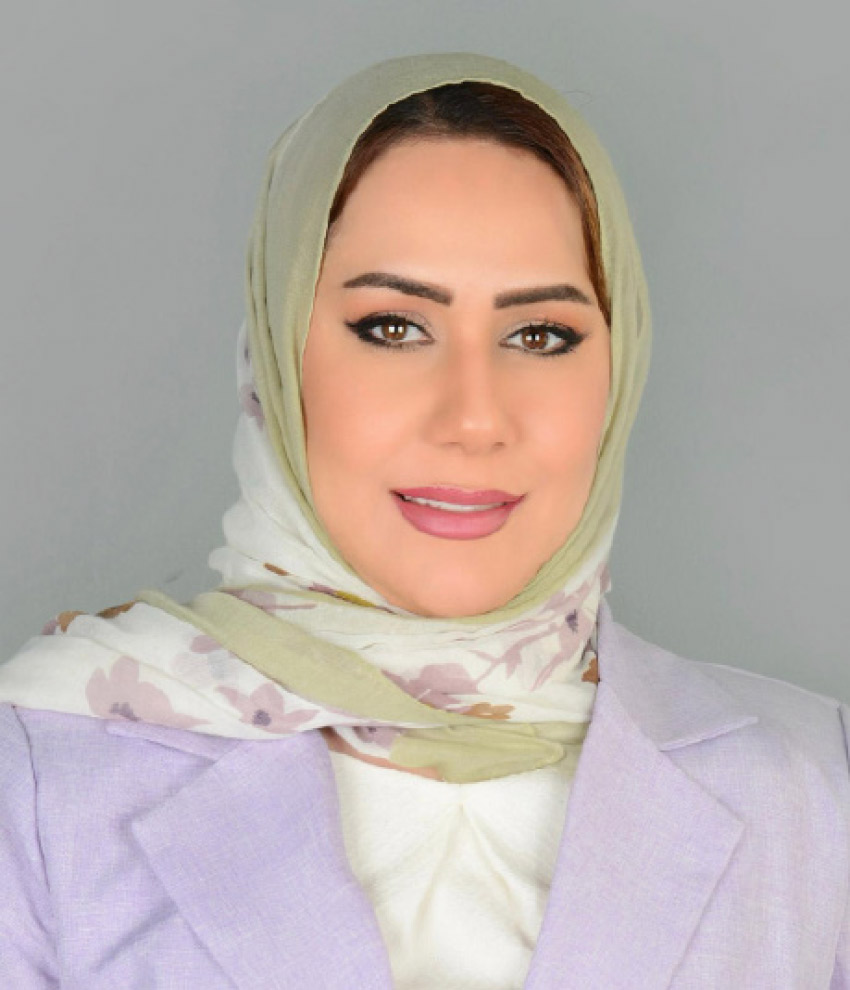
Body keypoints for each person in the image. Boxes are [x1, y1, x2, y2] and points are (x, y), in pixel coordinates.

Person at [0, 51, 848, 989]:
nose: (474, 418)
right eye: (394, 327)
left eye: (540, 335)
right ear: (276, 358)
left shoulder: (814, 794)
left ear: (620, 366)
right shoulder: (40, 780)